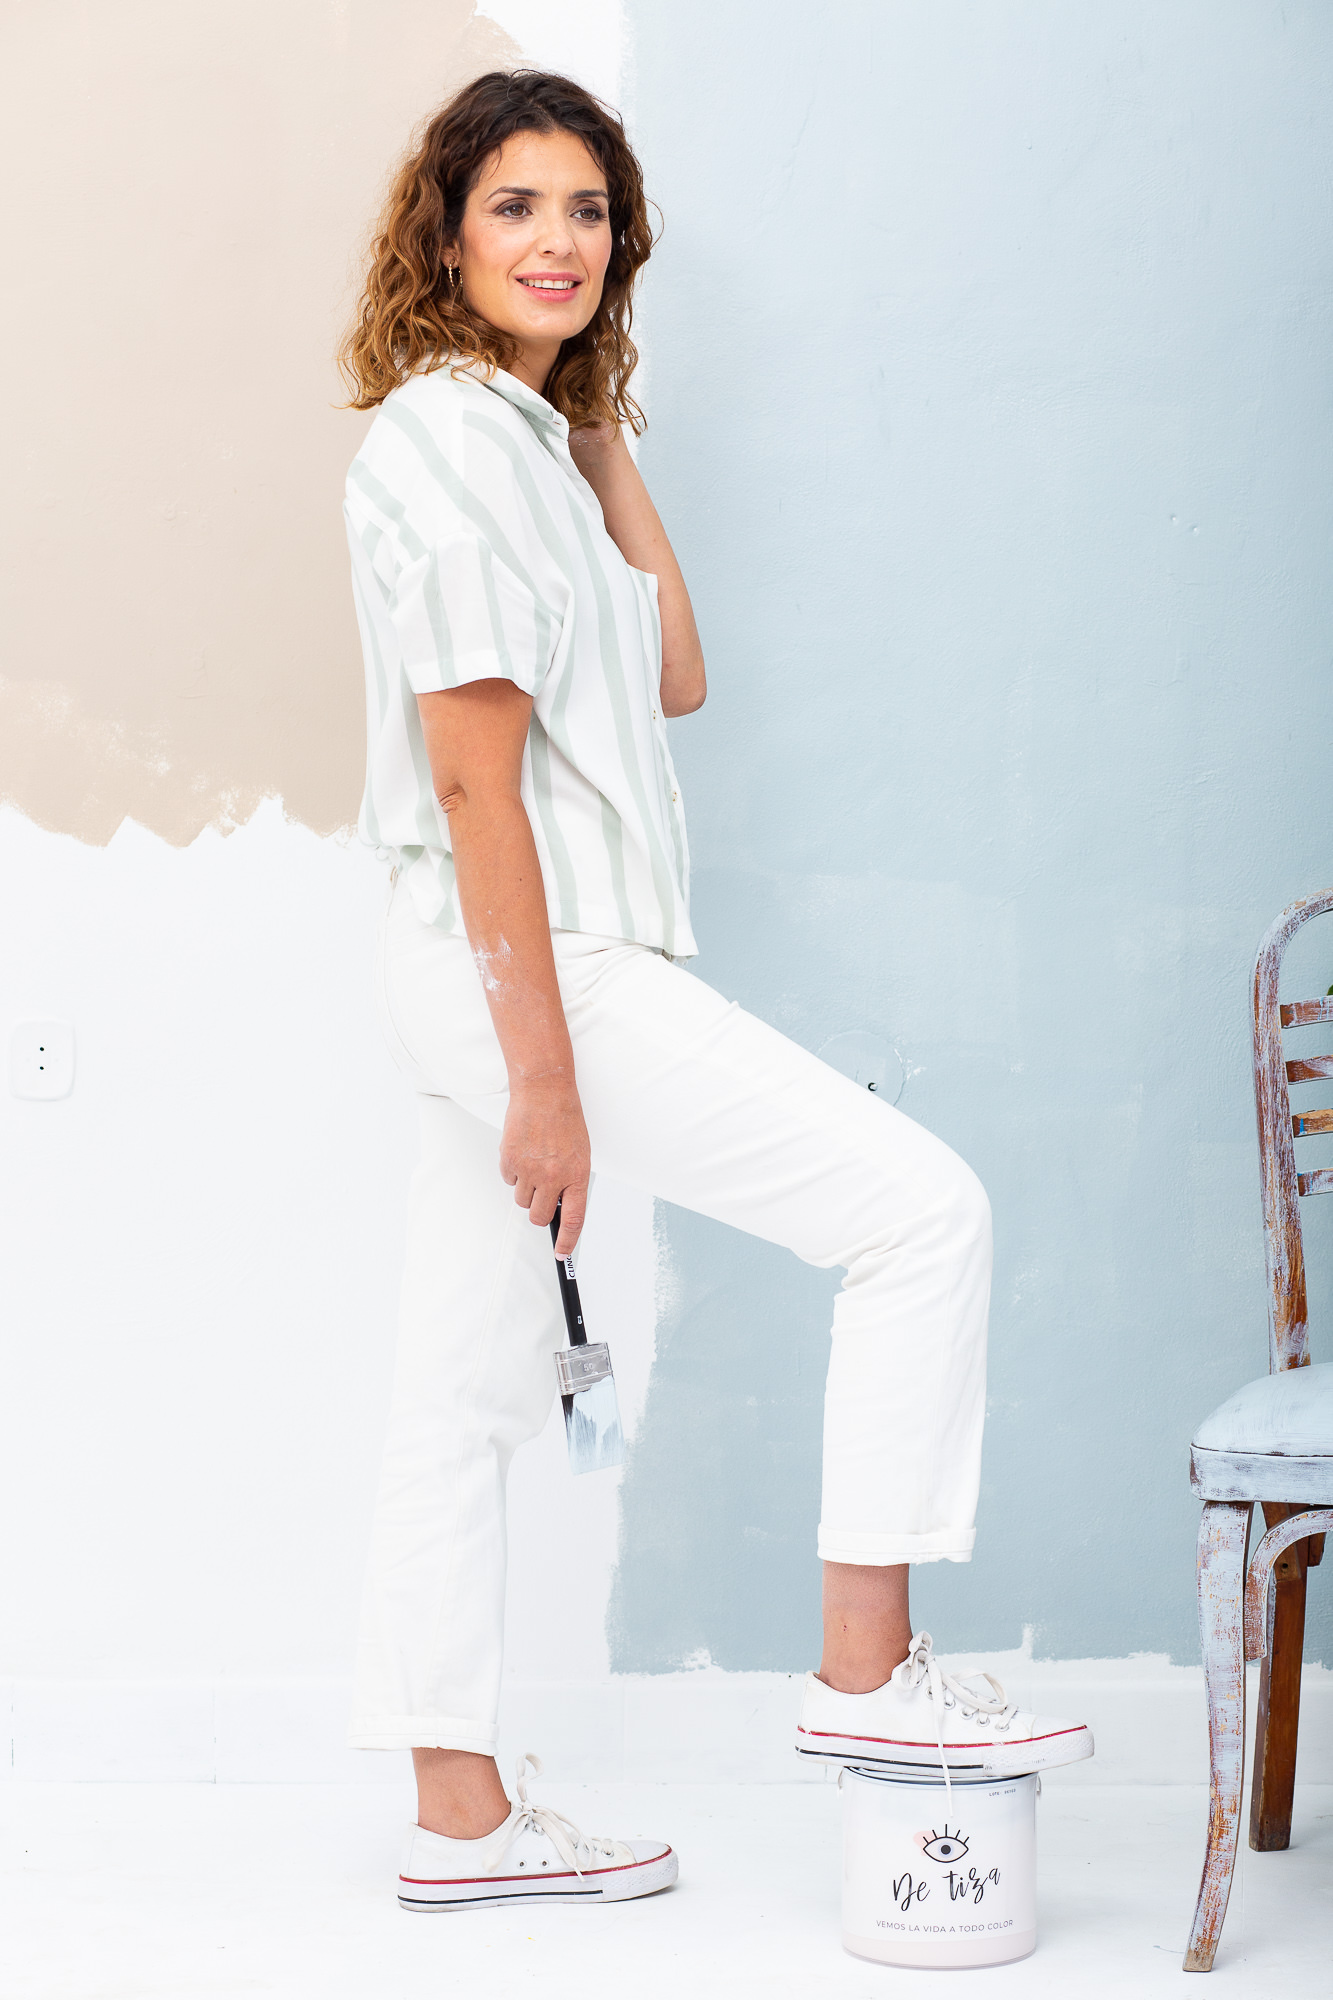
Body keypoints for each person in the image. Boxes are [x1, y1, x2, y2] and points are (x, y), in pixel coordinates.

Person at [339, 68, 1092, 1915]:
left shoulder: (525, 448)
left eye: (589, 212)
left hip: (484, 972)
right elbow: (474, 787)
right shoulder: (445, 445)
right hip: (534, 969)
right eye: (514, 207)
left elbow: (673, 669)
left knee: (459, 1395)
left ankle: (458, 1823)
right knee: (919, 1214)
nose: (559, 241)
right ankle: (865, 1675)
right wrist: (544, 1078)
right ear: (444, 234)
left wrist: (592, 422)